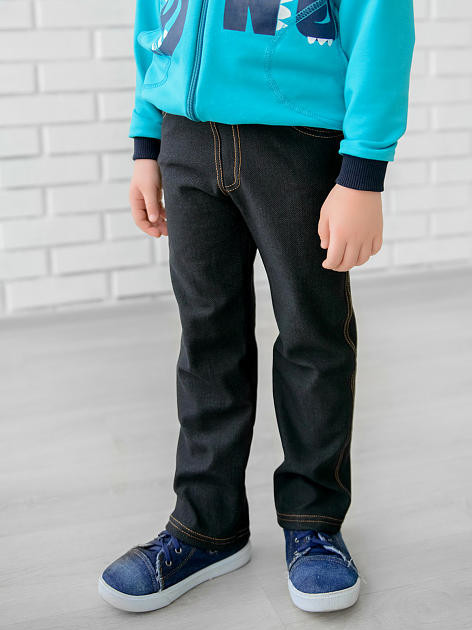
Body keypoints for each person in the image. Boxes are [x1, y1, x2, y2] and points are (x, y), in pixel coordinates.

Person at [98, 0, 415, 614]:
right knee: (206, 336)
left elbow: (381, 23)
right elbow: (155, 22)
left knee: (311, 333)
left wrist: (363, 171)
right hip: (185, 137)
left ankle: (314, 522)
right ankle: (206, 523)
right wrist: (146, 141)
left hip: (297, 139)